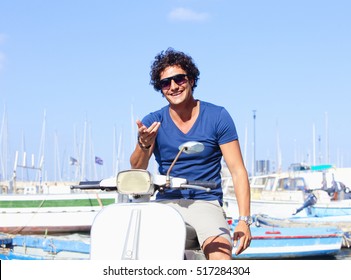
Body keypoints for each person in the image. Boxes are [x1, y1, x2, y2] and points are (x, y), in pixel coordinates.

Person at [130, 48, 251, 260]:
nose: (173, 86)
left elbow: (238, 171)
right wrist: (144, 143)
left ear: (192, 80)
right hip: (166, 203)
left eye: (179, 79)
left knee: (222, 259)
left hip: (205, 201)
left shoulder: (217, 116)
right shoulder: (153, 121)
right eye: (166, 83)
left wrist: (244, 219)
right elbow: (137, 168)